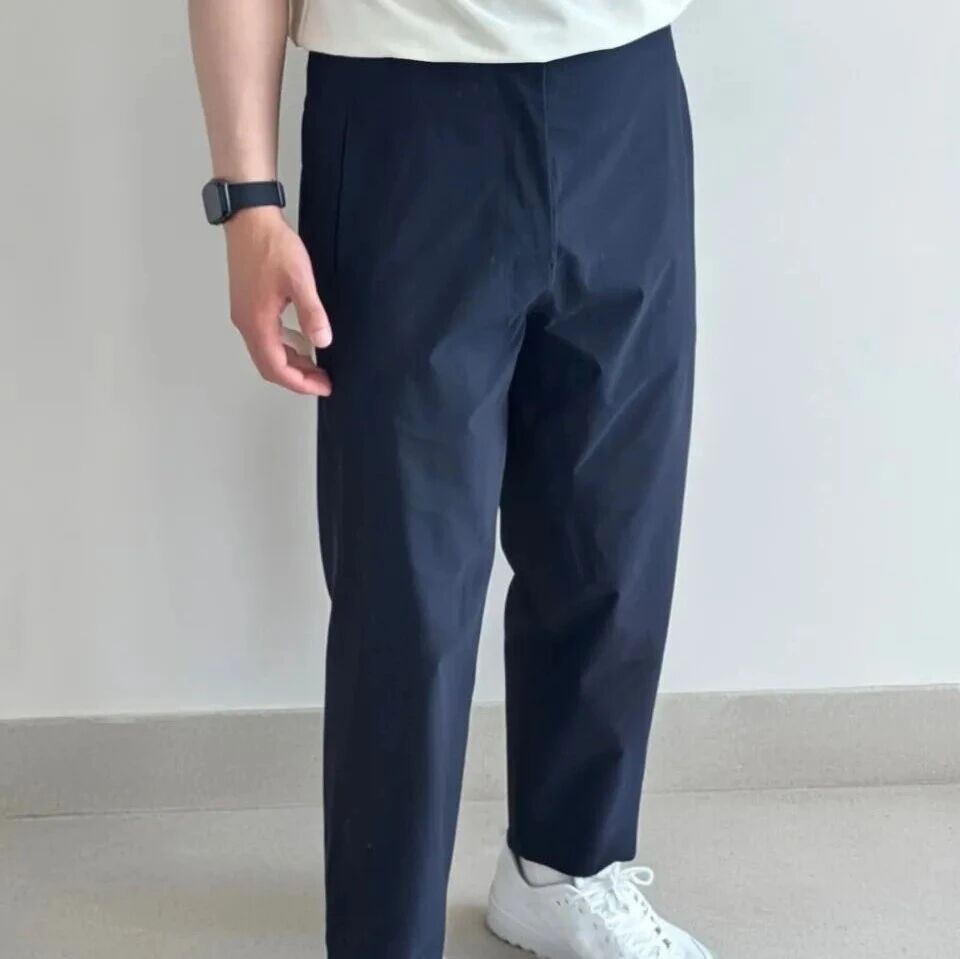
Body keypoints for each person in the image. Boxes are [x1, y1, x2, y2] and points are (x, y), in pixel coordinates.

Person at [189, 0, 709, 956]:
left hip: (623, 80)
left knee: (613, 533)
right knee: (408, 578)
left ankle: (564, 868)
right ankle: (385, 936)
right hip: (404, 104)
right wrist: (248, 199)